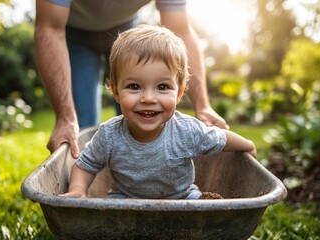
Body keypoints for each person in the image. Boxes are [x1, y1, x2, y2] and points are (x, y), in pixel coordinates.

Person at [59, 25, 256, 199]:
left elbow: (220, 138)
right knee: (110, 218)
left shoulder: (186, 131)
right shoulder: (109, 135)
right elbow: (86, 165)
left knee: (201, 206)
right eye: (135, 86)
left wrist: (247, 145)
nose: (149, 98)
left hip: (182, 198)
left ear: (179, 93)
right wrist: (78, 190)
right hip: (125, 200)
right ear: (116, 92)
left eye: (162, 87)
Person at [34, 0, 230, 159]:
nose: (148, 98)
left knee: (143, 127)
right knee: (82, 133)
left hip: (127, 32)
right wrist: (65, 117)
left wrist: (203, 106)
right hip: (71, 31)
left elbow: (181, 31)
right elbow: (50, 27)